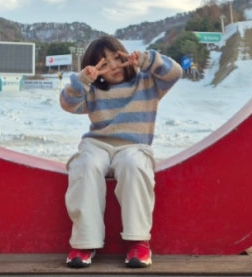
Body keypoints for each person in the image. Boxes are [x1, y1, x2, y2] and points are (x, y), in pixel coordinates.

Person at [59, 36, 182, 269]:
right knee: (85, 165)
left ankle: (138, 241)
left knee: (134, 165)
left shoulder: (147, 82)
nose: (114, 66)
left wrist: (145, 60)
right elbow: (68, 104)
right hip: (98, 144)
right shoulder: (93, 89)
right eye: (104, 64)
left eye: (116, 58)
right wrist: (83, 80)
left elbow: (174, 72)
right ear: (96, 69)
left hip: (134, 145)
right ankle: (85, 242)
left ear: (125, 55)